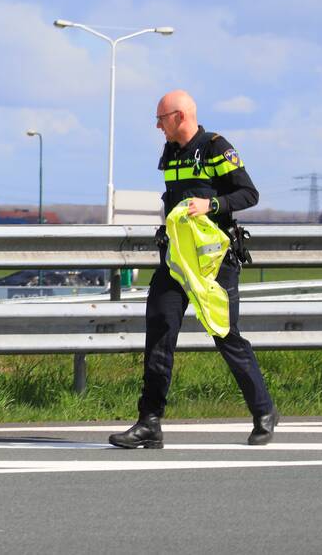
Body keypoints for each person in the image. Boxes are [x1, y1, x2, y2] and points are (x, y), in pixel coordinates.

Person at [109, 89, 278, 448]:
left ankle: (264, 411)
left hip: (214, 262)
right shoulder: (170, 151)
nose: (157, 126)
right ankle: (149, 422)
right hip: (175, 260)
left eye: (161, 118)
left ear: (180, 116)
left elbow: (249, 194)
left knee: (225, 334)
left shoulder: (216, 147)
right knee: (159, 330)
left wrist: (210, 204)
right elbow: (172, 198)